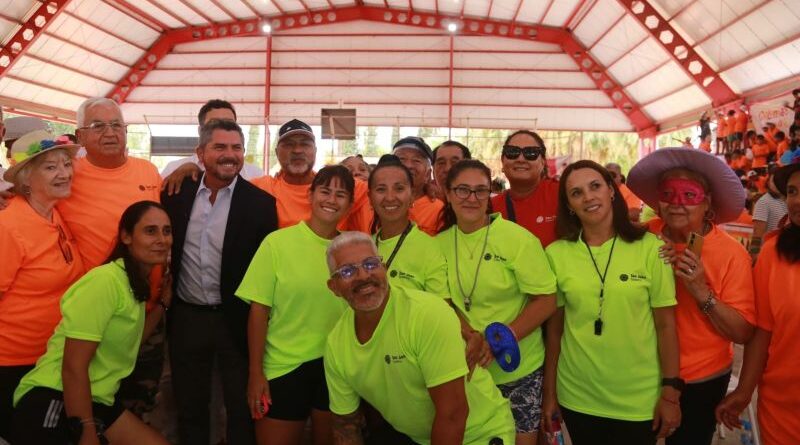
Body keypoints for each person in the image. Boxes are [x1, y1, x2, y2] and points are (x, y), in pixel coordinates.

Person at [323, 231, 516, 444]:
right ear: (334, 287)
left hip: (480, 433)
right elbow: (346, 426)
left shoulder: (426, 314)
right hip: (420, 437)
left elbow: (453, 415)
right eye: (347, 271)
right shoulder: (336, 344)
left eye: (370, 264)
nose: (363, 275)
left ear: (384, 269)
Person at [10, 201, 172, 445]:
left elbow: (132, 343)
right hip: (56, 395)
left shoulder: (133, 285)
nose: (161, 239)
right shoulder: (106, 281)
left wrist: (162, 305)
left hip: (98, 399)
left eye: (166, 231)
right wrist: (86, 430)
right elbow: (73, 366)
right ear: (126, 237)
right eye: (150, 231)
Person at [543, 160, 680, 445]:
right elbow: (554, 332)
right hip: (577, 396)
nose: (588, 197)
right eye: (576, 193)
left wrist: (670, 393)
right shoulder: (556, 254)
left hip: (638, 399)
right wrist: (550, 393)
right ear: (569, 205)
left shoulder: (652, 249)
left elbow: (666, 326)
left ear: (612, 191)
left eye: (595, 186)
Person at [627, 148, 756, 445]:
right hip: (641, 372)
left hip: (701, 378)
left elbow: (742, 332)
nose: (677, 203)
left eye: (689, 195)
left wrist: (700, 291)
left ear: (707, 202)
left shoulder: (731, 254)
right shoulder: (643, 237)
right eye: (668, 194)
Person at [160, 119, 278, 445]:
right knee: (190, 406)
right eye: (220, 147)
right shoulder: (176, 193)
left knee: (240, 409)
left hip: (236, 320)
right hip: (187, 317)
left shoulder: (261, 205)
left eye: (236, 147)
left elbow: (266, 271)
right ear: (200, 153)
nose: (230, 154)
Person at [437, 159, 557, 444]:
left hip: (519, 369)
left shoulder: (518, 239)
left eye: (480, 190)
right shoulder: (437, 244)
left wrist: (499, 340)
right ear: (448, 193)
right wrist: (472, 337)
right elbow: (443, 303)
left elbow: (547, 300)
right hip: (466, 371)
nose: (472, 198)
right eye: (462, 190)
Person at [237, 165, 355, 445]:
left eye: (340, 195)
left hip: (336, 369)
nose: (331, 200)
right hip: (284, 367)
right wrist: (256, 373)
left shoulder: (351, 251)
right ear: (310, 195)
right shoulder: (277, 243)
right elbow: (258, 311)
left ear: (350, 204)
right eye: (325, 191)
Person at [0, 131, 84, 440]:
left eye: (66, 164)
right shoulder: (9, 226)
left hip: (48, 357)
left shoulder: (54, 213)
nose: (64, 173)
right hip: (13, 364)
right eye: (50, 167)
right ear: (25, 179)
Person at [716, 161, 800, 445]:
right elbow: (763, 330)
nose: (797, 200)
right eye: (792, 191)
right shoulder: (773, 252)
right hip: (783, 409)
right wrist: (743, 391)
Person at [369, 155, 448, 295]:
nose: (390, 197)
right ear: (370, 198)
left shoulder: (430, 248)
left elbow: (441, 305)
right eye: (381, 189)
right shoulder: (365, 247)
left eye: (399, 189)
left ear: (412, 196)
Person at [160, 99, 265, 180]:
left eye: (229, 123)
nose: (222, 129)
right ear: (200, 131)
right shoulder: (174, 169)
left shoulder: (255, 175)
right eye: (214, 124)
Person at [491, 130, 560, 247]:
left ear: (543, 162)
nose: (521, 159)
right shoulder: (490, 207)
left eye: (531, 153)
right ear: (502, 161)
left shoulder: (562, 194)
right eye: (512, 152)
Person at [392, 136, 445, 235]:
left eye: (416, 160)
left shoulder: (439, 210)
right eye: (402, 159)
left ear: (428, 174)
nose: (408, 165)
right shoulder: (375, 201)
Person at [750, 171, 788, 258]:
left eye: (779, 180)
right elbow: (757, 233)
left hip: (786, 253)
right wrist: (754, 256)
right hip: (770, 254)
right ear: (768, 182)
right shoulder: (764, 202)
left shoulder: (788, 200)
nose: (777, 183)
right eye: (774, 181)